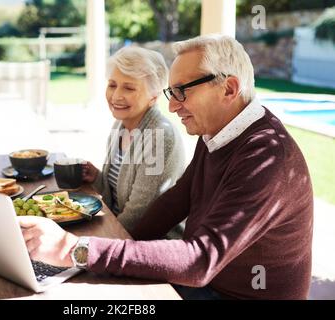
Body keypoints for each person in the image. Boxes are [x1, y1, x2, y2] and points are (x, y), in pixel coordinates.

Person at [19, 35, 313, 300]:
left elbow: (200, 260)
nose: (172, 107)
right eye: (171, 93)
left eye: (182, 91)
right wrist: (98, 248)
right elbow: (175, 201)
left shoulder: (267, 156)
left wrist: (74, 249)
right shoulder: (217, 131)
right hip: (206, 284)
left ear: (229, 88)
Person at [81, 46, 186, 236]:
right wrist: (97, 177)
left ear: (153, 97)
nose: (116, 96)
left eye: (129, 88)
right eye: (112, 85)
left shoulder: (159, 137)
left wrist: (90, 242)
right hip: (118, 234)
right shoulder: (120, 126)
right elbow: (113, 199)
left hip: (152, 246)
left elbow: (138, 216)